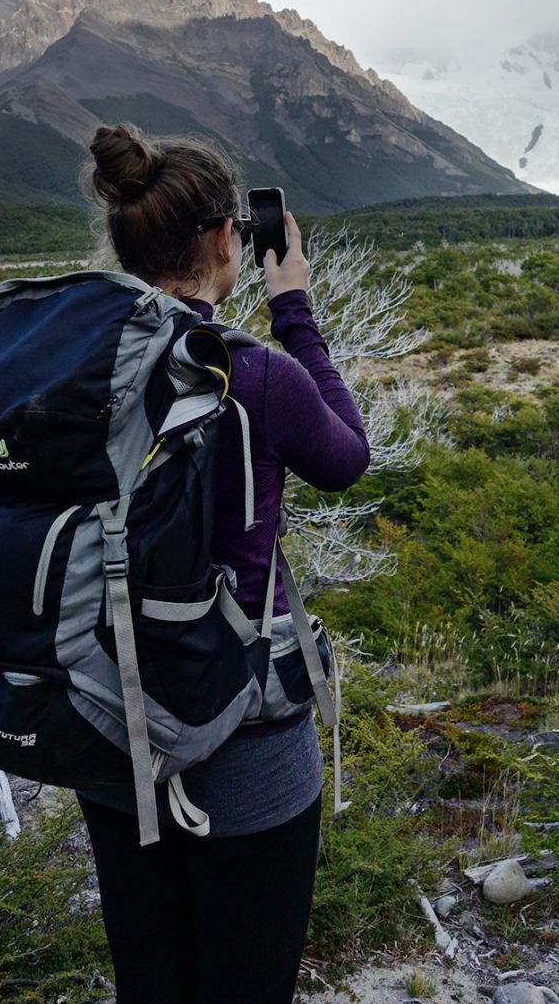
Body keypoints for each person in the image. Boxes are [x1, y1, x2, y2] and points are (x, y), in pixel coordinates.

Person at [78, 122, 370, 1004]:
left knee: (150, 982)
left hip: (113, 730)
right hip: (249, 748)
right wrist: (295, 308)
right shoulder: (257, 377)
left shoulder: (73, 375)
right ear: (222, 240)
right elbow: (347, 456)